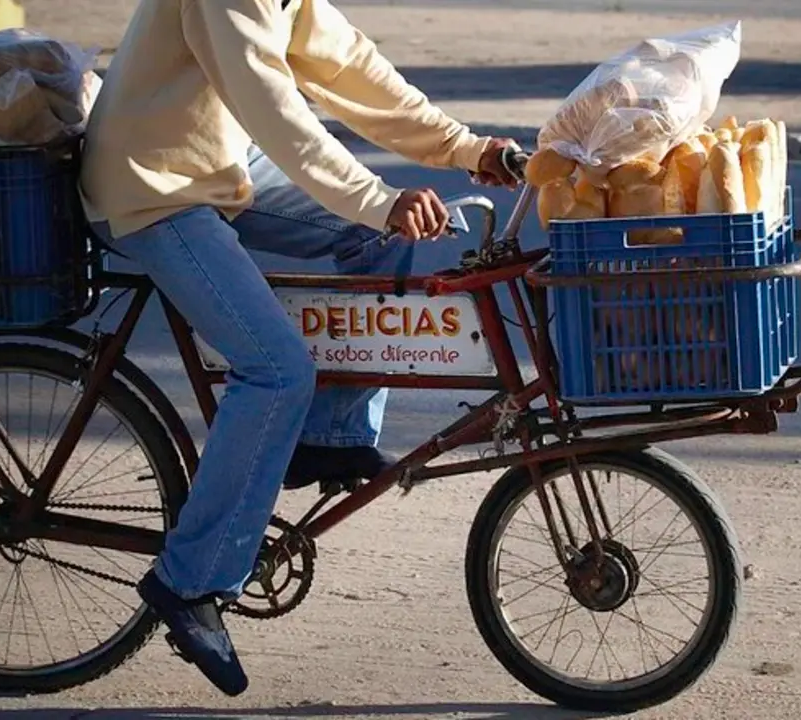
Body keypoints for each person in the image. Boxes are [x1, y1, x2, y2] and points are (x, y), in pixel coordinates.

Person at [78, 0, 519, 698]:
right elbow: (275, 109)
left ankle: (329, 438)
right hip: (153, 188)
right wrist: (377, 197)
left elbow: (354, 70)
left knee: (383, 240)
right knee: (278, 371)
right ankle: (189, 582)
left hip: (214, 162)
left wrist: (469, 149)